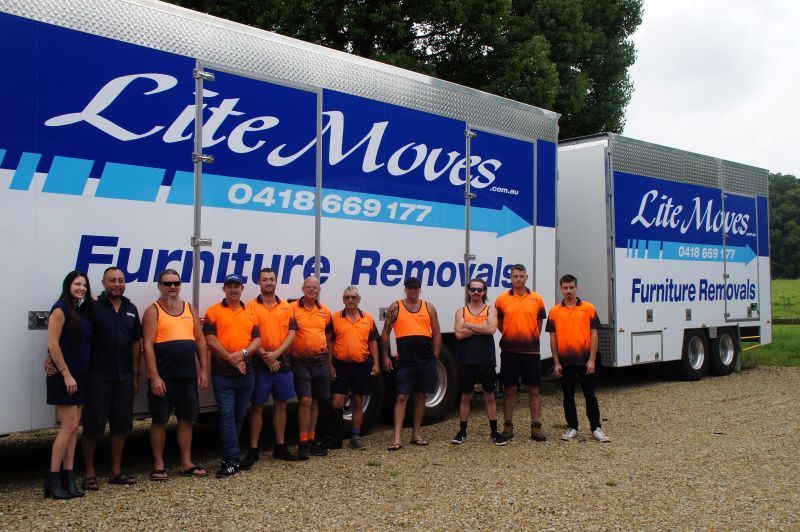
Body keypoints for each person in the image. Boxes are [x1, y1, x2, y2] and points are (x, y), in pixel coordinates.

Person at [142, 269, 209, 481]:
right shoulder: (153, 311)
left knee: (186, 419)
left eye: (176, 283)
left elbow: (200, 341)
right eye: (167, 284)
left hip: (187, 376)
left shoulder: (189, 308)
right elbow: (147, 345)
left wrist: (204, 370)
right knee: (160, 420)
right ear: (160, 286)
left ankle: (186, 463)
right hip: (164, 376)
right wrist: (154, 376)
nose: (172, 287)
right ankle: (158, 464)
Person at [79, 267, 142, 489]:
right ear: (103, 282)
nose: (117, 284)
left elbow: (136, 342)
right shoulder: (92, 306)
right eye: (112, 280)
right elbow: (75, 330)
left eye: (121, 280)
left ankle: (116, 471)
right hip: (98, 376)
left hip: (124, 376)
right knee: (93, 426)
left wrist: (135, 374)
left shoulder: (131, 308)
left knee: (120, 426)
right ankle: (89, 473)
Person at [204, 273, 261, 478]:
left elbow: (257, 341)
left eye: (237, 286)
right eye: (229, 286)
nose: (233, 290)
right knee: (226, 417)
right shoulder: (213, 312)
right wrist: (231, 358)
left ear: (242, 289)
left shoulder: (251, 313)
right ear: (224, 290)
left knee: (238, 417)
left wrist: (243, 354)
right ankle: (232, 459)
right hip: (223, 374)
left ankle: (230, 456)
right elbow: (210, 339)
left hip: (247, 374)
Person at [241, 268, 298, 467]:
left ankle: (280, 447)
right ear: (258, 282)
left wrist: (276, 354)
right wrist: (265, 356)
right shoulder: (250, 306)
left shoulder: (286, 306)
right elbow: (249, 334)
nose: (268, 282)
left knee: (281, 404)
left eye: (271, 279)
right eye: (264, 279)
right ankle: (254, 449)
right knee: (257, 406)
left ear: (276, 282)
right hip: (259, 363)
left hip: (282, 362)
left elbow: (292, 333)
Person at [44, 271, 93, 499]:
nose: (81, 288)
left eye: (84, 285)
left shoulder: (78, 309)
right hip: (66, 377)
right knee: (67, 427)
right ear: (68, 285)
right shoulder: (60, 309)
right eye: (77, 284)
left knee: (74, 428)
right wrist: (65, 374)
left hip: (80, 375)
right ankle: (52, 479)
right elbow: (53, 344)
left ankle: (69, 477)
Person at [546, 274, 611, 443]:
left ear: (576, 288)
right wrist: (556, 362)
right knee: (568, 396)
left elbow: (594, 335)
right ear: (561, 289)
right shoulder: (554, 311)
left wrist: (592, 359)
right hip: (565, 362)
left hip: (585, 361)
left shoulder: (588, 308)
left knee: (590, 395)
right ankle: (572, 427)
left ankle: (596, 428)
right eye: (565, 288)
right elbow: (553, 339)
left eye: (571, 287)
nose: (568, 291)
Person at [381, 277, 442, 450]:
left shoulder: (428, 307)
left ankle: (416, 434)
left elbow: (437, 333)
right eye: (409, 288)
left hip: (425, 360)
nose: (412, 291)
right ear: (405, 289)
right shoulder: (396, 307)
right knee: (402, 397)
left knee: (421, 396)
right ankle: (397, 438)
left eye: (415, 288)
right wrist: (385, 356)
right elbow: (385, 333)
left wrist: (435, 357)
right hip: (405, 361)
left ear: (420, 289)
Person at [494, 264, 548, 441]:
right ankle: (508, 427)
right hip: (509, 352)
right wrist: (512, 335)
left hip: (531, 352)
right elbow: (500, 323)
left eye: (521, 276)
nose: (518, 279)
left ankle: (536, 427)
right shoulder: (501, 299)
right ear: (510, 278)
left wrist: (528, 337)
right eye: (515, 276)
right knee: (509, 390)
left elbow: (538, 324)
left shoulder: (537, 299)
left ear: (526, 278)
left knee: (534, 390)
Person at [451, 278, 508, 446]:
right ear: (468, 291)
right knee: (465, 396)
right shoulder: (461, 311)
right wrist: (480, 327)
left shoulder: (491, 309)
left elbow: (491, 329)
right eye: (473, 290)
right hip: (467, 360)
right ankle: (462, 432)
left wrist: (468, 325)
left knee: (489, 396)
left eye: (479, 290)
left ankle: (494, 432)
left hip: (486, 360)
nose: (476, 293)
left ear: (484, 292)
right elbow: (458, 334)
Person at [328, 286, 381, 450]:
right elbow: (329, 343)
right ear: (343, 300)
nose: (350, 300)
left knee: (358, 401)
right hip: (341, 365)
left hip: (361, 365)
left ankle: (355, 436)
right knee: (336, 402)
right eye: (347, 297)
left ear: (359, 300)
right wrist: (329, 365)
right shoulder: (335, 318)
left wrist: (376, 363)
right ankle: (336, 437)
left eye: (353, 297)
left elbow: (373, 343)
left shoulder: (368, 318)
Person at [289, 276, 333, 459]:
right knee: (305, 401)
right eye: (309, 287)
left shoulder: (325, 310)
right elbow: (286, 333)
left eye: (315, 287)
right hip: (301, 362)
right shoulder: (291, 309)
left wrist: (330, 364)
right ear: (302, 288)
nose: (312, 289)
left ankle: (312, 439)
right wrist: (292, 352)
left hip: (321, 362)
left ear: (319, 290)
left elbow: (329, 337)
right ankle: (302, 442)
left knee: (316, 402)